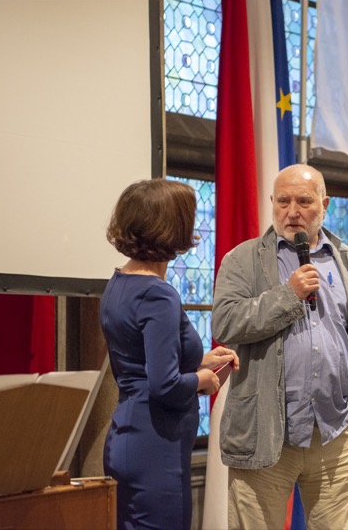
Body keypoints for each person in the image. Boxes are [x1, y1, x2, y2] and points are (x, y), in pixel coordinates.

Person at [212, 164, 348, 529]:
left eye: (304, 201)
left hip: (338, 433)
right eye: (283, 201)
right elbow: (225, 323)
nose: (292, 212)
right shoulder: (242, 259)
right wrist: (289, 295)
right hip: (264, 433)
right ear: (272, 203)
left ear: (324, 204)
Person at [100, 179, 239, 529]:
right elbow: (164, 385)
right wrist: (204, 380)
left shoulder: (119, 282)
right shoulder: (157, 294)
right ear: (172, 226)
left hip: (128, 437)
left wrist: (202, 360)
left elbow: (140, 357)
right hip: (156, 446)